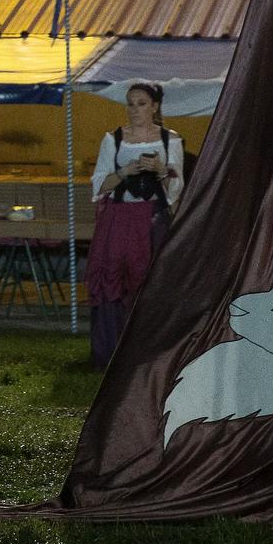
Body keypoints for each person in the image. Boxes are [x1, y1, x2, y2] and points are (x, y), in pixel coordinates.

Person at [85, 82, 184, 369]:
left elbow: (176, 188)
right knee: (113, 279)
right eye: (130, 103)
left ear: (154, 107)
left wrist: (161, 170)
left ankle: (149, 353)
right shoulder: (113, 139)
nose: (134, 110)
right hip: (118, 219)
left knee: (150, 280)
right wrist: (126, 170)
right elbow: (99, 185)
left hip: (152, 220)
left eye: (141, 103)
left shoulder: (170, 140)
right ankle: (111, 354)